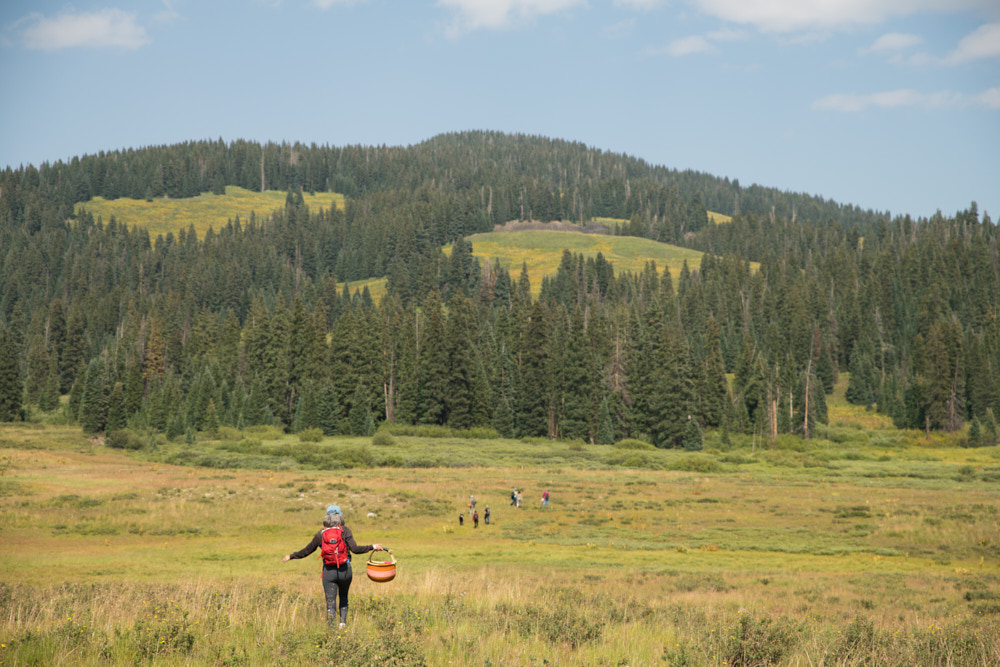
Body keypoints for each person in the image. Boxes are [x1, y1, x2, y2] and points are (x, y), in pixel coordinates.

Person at [281, 505, 384, 629]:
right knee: (344, 597)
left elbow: (306, 551)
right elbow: (356, 549)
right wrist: (372, 546)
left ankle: (332, 630)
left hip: (329, 572)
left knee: (330, 602)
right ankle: (343, 625)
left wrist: (291, 556)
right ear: (340, 516)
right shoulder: (345, 531)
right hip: (345, 571)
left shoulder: (321, 534)